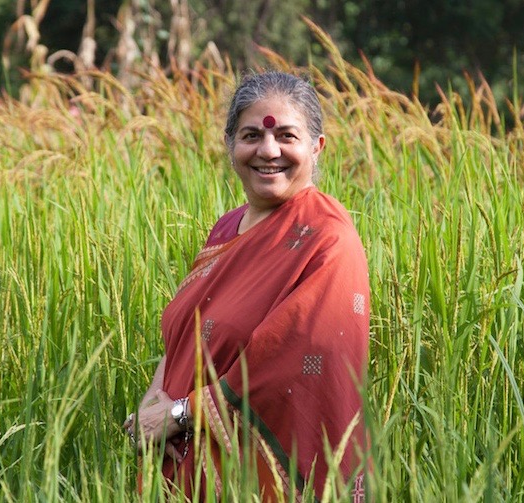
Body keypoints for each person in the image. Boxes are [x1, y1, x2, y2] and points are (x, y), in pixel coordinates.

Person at [123, 71, 370, 501]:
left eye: (287, 136)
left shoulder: (327, 238)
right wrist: (152, 406)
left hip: (251, 481)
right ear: (230, 146)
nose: (268, 150)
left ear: (317, 146)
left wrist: (180, 413)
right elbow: (187, 332)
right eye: (251, 135)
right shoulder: (226, 228)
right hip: (179, 468)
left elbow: (293, 364)